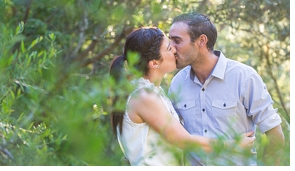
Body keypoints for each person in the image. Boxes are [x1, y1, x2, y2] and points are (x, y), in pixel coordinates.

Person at [109, 27, 255, 166]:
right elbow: (184, 141)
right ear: (154, 63)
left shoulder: (151, 92)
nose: (174, 49)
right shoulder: (144, 96)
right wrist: (232, 145)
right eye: (168, 47)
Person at [167, 13, 285, 165]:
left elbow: (275, 134)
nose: (172, 48)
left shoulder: (244, 77)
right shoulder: (177, 83)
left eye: (177, 41)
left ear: (201, 41)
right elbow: (172, 137)